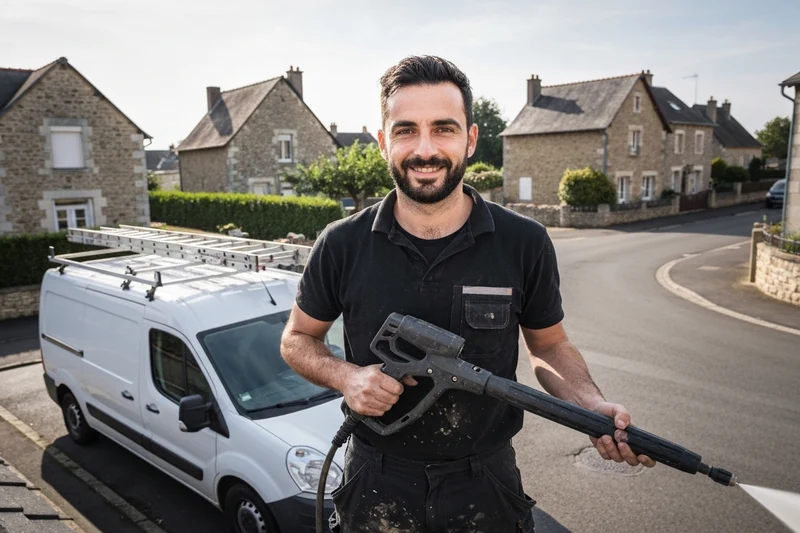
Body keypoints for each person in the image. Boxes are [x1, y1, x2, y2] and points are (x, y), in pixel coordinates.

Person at [280, 55, 656, 533]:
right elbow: (296, 340)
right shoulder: (341, 243)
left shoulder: (523, 242)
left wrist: (589, 404)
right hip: (376, 479)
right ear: (382, 142)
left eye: (443, 128)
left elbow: (549, 346)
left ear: (471, 139)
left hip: (485, 481)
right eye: (405, 130)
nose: (425, 149)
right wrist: (347, 377)